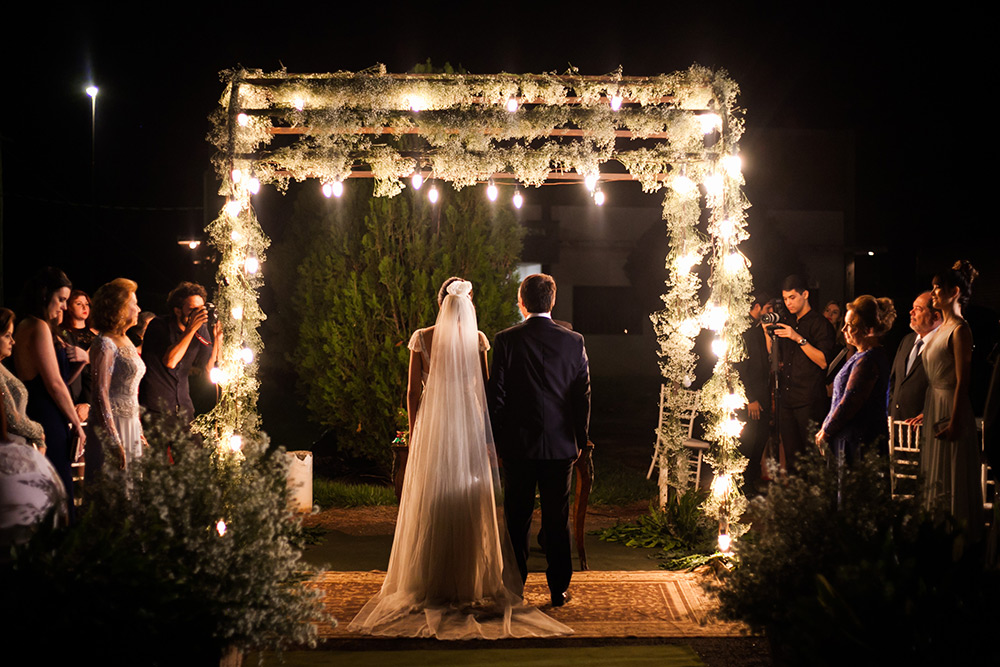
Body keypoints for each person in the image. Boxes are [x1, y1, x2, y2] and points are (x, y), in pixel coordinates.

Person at [349, 278, 569, 639]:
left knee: (434, 496)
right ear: (466, 304)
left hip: (435, 427)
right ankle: (471, 578)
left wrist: (415, 429)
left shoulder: (422, 338)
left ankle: (431, 576)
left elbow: (412, 391)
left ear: (440, 303)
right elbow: (486, 391)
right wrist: (487, 435)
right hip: (466, 425)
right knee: (471, 496)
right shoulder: (479, 339)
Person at [489, 273, 590, 608]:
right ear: (553, 300)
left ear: (522, 303)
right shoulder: (574, 342)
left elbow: (497, 397)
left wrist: (498, 440)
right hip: (561, 445)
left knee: (516, 518)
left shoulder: (505, 341)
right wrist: (580, 439)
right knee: (556, 520)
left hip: (518, 445)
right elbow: (582, 396)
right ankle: (558, 589)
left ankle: (514, 589)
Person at [915, 260, 982, 541]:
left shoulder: (960, 330)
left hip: (951, 407)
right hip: (934, 404)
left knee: (952, 473)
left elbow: (962, 381)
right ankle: (934, 537)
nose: (933, 293)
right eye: (932, 288)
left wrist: (955, 420)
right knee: (934, 474)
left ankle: (958, 541)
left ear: (954, 292)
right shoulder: (940, 329)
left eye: (937, 288)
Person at [12, 268, 88, 510]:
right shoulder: (37, 326)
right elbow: (54, 384)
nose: (65, 307)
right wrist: (75, 423)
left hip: (44, 411)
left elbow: (57, 381)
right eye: (62, 300)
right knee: (58, 491)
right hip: (47, 418)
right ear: (44, 295)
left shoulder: (31, 324)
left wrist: (81, 362)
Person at [816, 296, 895, 465]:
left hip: (859, 441)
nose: (844, 329)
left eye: (850, 325)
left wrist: (827, 430)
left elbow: (850, 401)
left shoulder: (868, 359)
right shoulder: (859, 356)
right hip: (850, 437)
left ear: (868, 329)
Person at [771, 275, 836, 472]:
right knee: (791, 459)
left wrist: (798, 338)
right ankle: (795, 501)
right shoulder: (788, 321)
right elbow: (774, 357)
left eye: (792, 297)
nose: (788, 303)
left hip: (809, 400)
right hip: (787, 398)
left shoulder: (820, 324)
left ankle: (815, 501)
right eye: (785, 298)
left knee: (812, 459)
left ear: (805, 294)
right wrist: (769, 334)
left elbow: (823, 361)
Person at [139, 282, 220, 428]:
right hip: (157, 409)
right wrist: (191, 329)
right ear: (177, 311)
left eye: (201, 309)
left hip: (183, 407)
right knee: (159, 451)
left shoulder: (200, 329)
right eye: (193, 310)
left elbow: (207, 367)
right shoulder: (158, 326)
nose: (199, 314)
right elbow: (170, 361)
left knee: (194, 450)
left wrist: (218, 340)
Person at [91, 279, 146, 471]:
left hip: (130, 422)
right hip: (113, 423)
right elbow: (99, 393)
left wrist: (138, 427)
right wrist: (112, 439)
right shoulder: (105, 343)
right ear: (120, 308)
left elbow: (132, 393)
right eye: (134, 304)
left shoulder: (126, 340)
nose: (138, 309)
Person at [888, 292, 942, 421]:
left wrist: (927, 413)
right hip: (897, 425)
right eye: (913, 307)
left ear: (935, 316)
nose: (911, 312)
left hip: (922, 426)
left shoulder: (943, 345)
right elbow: (894, 379)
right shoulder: (907, 340)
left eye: (918, 309)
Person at [737, 292, 772, 488]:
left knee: (760, 439)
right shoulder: (745, 330)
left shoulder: (761, 330)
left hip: (763, 393)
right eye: (768, 308)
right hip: (752, 396)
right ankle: (744, 483)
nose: (771, 312)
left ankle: (750, 481)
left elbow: (767, 358)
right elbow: (741, 367)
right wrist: (750, 398)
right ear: (757, 307)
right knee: (749, 441)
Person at [0, 308, 46, 451]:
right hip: (8, 450)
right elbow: (12, 418)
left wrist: (38, 440)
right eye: (7, 336)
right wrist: (38, 430)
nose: (13, 342)